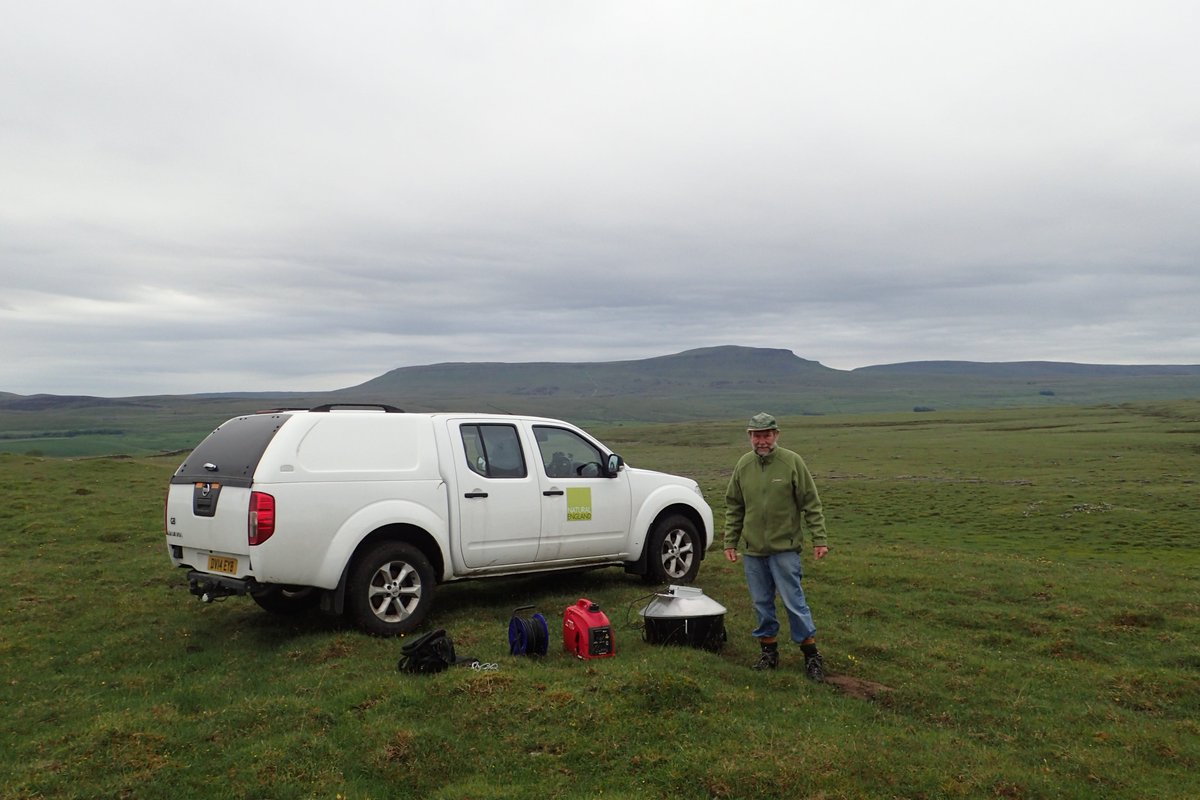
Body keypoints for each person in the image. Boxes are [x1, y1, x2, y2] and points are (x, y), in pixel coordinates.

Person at [723, 412, 829, 680]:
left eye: (767, 435)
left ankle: (811, 656)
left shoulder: (791, 462)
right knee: (761, 603)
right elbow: (735, 506)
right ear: (749, 437)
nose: (762, 441)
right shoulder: (743, 465)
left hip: (785, 549)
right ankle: (769, 654)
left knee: (794, 602)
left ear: (776, 435)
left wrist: (820, 539)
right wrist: (730, 541)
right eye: (757, 435)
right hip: (753, 550)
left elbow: (811, 503)